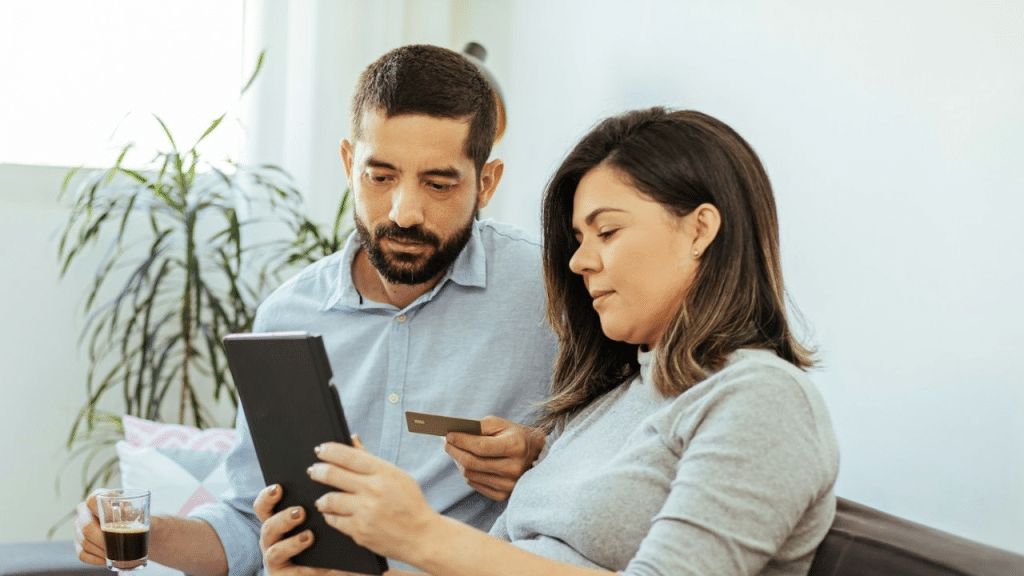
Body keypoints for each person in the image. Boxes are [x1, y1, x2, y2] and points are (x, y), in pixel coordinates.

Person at [255, 107, 840, 575]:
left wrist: (423, 535)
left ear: (700, 229)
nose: (581, 261)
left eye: (607, 231)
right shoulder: (612, 397)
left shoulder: (762, 397)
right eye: (579, 237)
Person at [74, 44, 558, 576]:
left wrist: (539, 457)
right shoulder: (287, 316)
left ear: (486, 183)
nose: (404, 212)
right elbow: (246, 524)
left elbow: (613, 474)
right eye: (380, 176)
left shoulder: (554, 293)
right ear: (350, 164)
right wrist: (151, 532)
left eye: (438, 184)